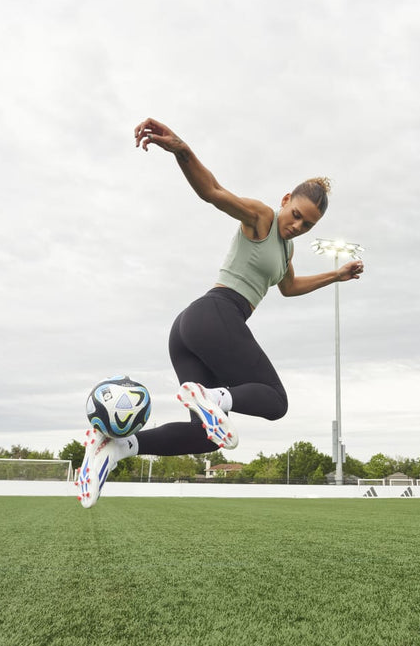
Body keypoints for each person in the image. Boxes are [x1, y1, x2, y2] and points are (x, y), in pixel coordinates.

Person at [76, 118, 364, 507]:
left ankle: (115, 447)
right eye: (296, 214)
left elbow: (290, 288)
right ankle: (211, 397)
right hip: (215, 315)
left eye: (308, 224)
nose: (298, 226)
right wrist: (181, 149)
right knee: (275, 401)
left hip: (192, 329)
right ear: (284, 200)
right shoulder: (260, 218)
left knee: (205, 437)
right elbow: (212, 191)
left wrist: (336, 275)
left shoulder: (286, 251)